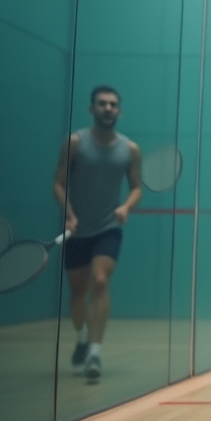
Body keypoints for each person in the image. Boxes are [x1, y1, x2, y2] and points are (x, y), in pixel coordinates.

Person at [54, 86, 142, 379]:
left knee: (100, 282)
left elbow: (137, 187)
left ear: (119, 111)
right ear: (92, 109)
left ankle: (94, 352)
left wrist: (126, 207)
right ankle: (81, 339)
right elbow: (59, 184)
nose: (108, 108)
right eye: (102, 104)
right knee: (78, 295)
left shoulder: (130, 150)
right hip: (77, 230)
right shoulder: (75, 143)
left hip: (108, 228)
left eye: (113, 104)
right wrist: (69, 214)